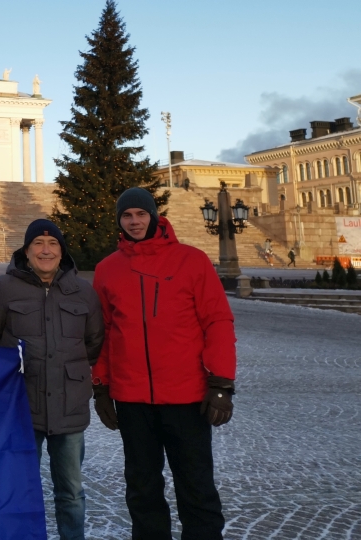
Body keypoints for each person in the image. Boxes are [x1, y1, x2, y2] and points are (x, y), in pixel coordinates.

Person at [92, 188, 236, 540]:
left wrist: (220, 383)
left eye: (141, 214)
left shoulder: (191, 260)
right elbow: (103, 332)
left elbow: (217, 321)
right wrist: (101, 386)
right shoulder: (108, 269)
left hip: (186, 396)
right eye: (127, 216)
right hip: (132, 398)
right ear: (119, 221)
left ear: (154, 216)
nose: (135, 221)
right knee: (142, 489)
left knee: (196, 486)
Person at [0, 219, 103, 540]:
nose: (45, 250)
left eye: (53, 244)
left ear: (62, 253)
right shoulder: (3, 288)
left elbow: (93, 343)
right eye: (38, 244)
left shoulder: (84, 292)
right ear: (26, 250)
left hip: (69, 408)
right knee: (19, 490)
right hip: (21, 409)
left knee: (71, 493)